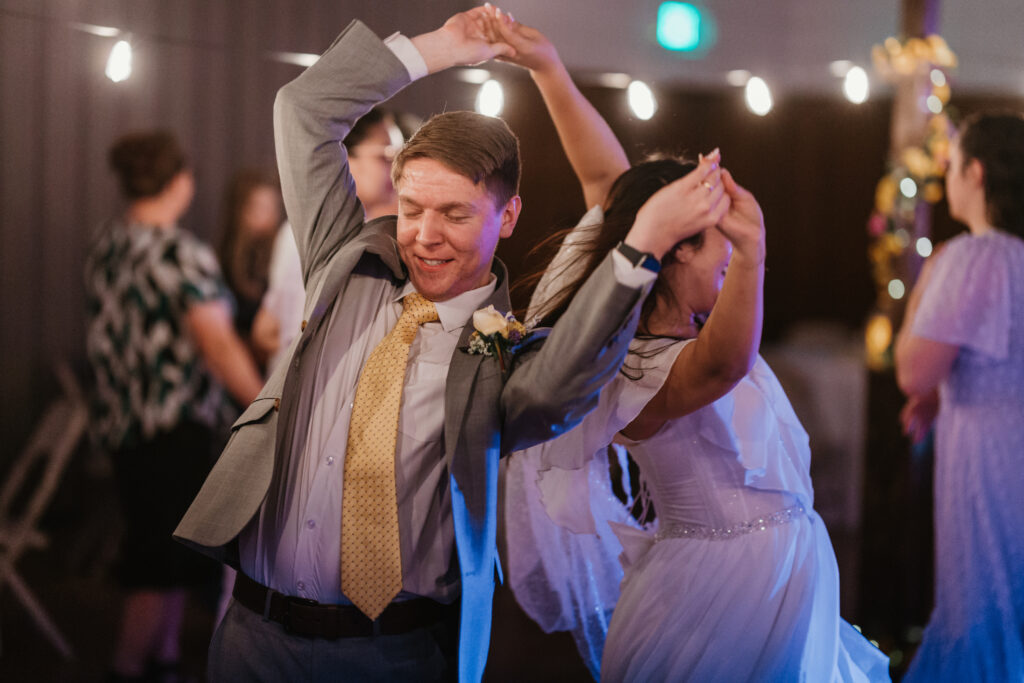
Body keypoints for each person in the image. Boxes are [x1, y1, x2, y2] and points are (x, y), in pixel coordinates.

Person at [173, 7, 724, 682]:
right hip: (253, 641)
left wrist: (643, 248)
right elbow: (303, 109)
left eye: (456, 213)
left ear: (508, 215)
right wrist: (441, 48)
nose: (425, 234)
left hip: (395, 655)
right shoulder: (343, 262)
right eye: (411, 208)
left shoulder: (503, 352)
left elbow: (559, 386)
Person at [489, 13, 891, 681]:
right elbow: (724, 366)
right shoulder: (637, 367)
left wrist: (550, 69)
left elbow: (604, 182)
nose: (732, 252)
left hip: (783, 580)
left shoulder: (693, 327)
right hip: (714, 598)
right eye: (716, 239)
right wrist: (757, 253)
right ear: (671, 251)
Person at [85, 130, 263, 683]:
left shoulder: (108, 242)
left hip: (121, 424)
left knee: (161, 551)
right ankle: (129, 666)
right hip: (170, 427)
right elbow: (217, 344)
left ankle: (161, 661)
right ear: (179, 182)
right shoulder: (178, 252)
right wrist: (266, 404)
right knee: (157, 566)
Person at [894, 111, 1024, 681]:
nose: (944, 171)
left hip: (990, 461)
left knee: (982, 605)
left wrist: (929, 274)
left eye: (952, 160)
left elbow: (911, 371)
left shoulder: (970, 257)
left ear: (976, 172)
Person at [250, 107, 406, 374]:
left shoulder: (298, 227)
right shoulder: (331, 234)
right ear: (344, 156)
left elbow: (266, 329)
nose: (396, 168)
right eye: (386, 155)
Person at [216, 168, 283, 371]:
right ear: (240, 210)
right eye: (259, 208)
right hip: (238, 366)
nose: (268, 216)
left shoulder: (279, 254)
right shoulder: (225, 262)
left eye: (272, 207)